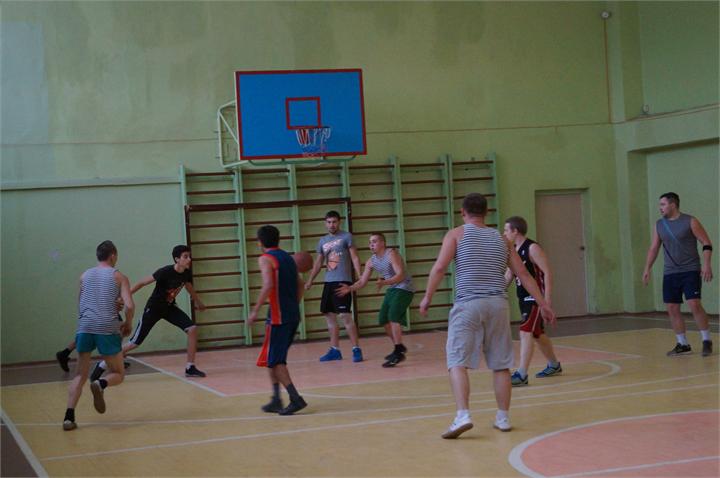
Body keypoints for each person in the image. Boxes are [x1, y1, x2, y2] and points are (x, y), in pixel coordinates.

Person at [420, 193, 555, 439]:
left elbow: (439, 268)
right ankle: (503, 418)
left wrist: (428, 296)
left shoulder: (456, 235)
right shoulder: (502, 240)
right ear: (486, 212)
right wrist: (543, 303)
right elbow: (524, 274)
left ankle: (463, 415)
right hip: (498, 305)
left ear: (463, 212)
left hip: (468, 304)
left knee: (457, 361)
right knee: (501, 364)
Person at [91, 245, 207, 380]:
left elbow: (188, 286)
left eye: (189, 256)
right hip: (154, 309)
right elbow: (142, 283)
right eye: (185, 257)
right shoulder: (165, 271)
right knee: (134, 343)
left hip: (169, 308)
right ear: (177, 259)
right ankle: (103, 364)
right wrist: (124, 296)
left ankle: (190, 367)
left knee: (192, 329)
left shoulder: (186, 273)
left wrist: (198, 301)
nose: (189, 259)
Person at [63, 240, 135, 430]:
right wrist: (127, 323)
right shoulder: (119, 276)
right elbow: (129, 306)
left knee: (79, 374)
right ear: (113, 255)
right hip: (107, 327)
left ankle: (69, 417)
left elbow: (81, 303)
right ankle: (101, 383)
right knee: (118, 373)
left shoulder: (84, 275)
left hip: (85, 326)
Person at [642, 192, 714, 357]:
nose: (660, 208)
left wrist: (706, 264)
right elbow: (654, 248)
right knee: (672, 307)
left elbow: (706, 242)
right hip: (670, 272)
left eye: (663, 204)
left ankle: (706, 340)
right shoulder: (659, 225)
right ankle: (682, 344)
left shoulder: (690, 221)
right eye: (660, 205)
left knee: (694, 303)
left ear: (673, 204)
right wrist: (647, 268)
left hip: (690, 270)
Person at [248, 225, 307, 415]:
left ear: (260, 242)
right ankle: (276, 398)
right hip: (291, 314)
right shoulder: (289, 258)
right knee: (271, 358)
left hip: (278, 317)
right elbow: (301, 285)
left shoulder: (266, 258)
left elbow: (268, 285)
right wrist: (293, 304)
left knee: (277, 360)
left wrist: (254, 311)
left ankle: (295, 399)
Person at [337, 233, 415, 367]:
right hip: (392, 288)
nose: (371, 245)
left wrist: (384, 283)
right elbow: (362, 282)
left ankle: (398, 352)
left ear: (383, 243)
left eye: (374, 241)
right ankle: (399, 347)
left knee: (393, 316)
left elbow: (401, 275)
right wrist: (349, 288)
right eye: (369, 242)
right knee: (383, 319)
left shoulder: (391, 254)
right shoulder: (371, 261)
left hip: (405, 288)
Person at [503, 216, 561, 386]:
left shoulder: (532, 248)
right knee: (537, 334)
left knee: (525, 331)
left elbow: (547, 273)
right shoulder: (513, 250)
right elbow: (509, 274)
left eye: (506, 230)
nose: (504, 233)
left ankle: (522, 374)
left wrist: (546, 301)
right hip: (523, 297)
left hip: (535, 298)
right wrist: (495, 291)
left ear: (515, 231)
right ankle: (554, 364)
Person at [305, 210, 364, 362]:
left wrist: (361, 276)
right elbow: (318, 263)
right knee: (329, 316)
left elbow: (355, 257)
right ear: (325, 223)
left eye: (334, 222)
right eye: (329, 222)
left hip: (342, 281)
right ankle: (335, 350)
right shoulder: (323, 241)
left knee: (345, 315)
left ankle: (356, 349)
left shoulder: (346, 237)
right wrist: (310, 280)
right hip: (328, 282)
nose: (332, 225)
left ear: (339, 222)